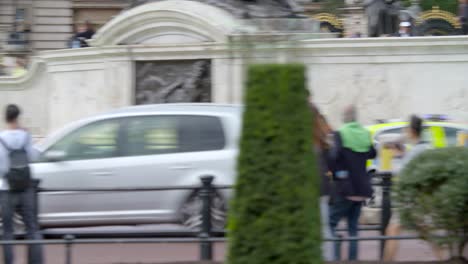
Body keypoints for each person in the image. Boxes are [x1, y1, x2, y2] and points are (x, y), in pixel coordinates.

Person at [383, 115, 443, 261]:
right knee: (428, 233)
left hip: (410, 200)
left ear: (411, 131)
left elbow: (402, 173)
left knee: (393, 231)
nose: (404, 132)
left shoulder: (417, 150)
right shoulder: (424, 147)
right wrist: (403, 154)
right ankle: (444, 259)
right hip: (421, 198)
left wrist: (397, 156)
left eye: (406, 129)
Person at [329, 105, 376, 261]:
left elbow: (334, 157)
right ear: (356, 117)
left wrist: (337, 173)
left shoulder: (340, 133)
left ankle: (335, 257)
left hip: (345, 189)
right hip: (362, 190)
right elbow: (372, 153)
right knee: (353, 229)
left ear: (344, 117)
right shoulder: (365, 133)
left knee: (330, 224)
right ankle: (352, 260)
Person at [0, 104, 43, 264]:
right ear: (18, 117)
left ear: (5, 117)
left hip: (6, 188)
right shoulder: (26, 136)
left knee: (8, 231)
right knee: (32, 228)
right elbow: (33, 156)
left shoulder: (1, 138)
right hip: (26, 188)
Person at [310, 103, 334, 261]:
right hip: (323, 189)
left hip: (316, 190)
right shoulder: (320, 138)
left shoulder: (313, 139)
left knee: (323, 230)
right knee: (324, 229)